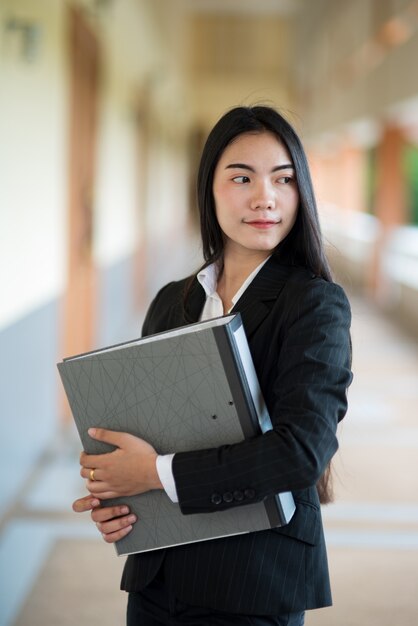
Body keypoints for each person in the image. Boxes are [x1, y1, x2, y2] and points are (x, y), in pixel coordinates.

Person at [73, 105, 353, 626]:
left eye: (284, 179)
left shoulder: (315, 305)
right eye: (241, 177)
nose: (265, 197)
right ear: (209, 188)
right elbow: (143, 430)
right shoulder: (170, 301)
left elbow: (301, 453)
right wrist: (117, 488)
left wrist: (152, 473)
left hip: (254, 581)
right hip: (157, 577)